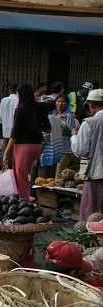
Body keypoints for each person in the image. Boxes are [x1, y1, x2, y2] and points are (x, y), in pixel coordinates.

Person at [3, 84, 54, 200]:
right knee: (25, 173)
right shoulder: (39, 107)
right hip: (37, 145)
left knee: (20, 175)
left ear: (20, 94)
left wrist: (6, 152)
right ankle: (25, 197)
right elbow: (48, 126)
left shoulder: (20, 109)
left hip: (23, 146)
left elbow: (14, 133)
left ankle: (23, 200)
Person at [71, 89, 103, 221]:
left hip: (97, 173)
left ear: (91, 104)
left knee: (92, 216)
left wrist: (74, 136)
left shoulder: (89, 123)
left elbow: (80, 150)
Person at [52, 94, 80, 178]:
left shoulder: (69, 116)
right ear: (55, 103)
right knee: (54, 173)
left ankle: (58, 190)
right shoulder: (52, 115)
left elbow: (71, 131)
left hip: (65, 149)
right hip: (54, 148)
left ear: (67, 104)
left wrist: (60, 125)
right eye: (58, 101)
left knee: (60, 173)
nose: (60, 103)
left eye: (63, 101)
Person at [0, 83, 19, 157]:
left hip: (5, 129)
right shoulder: (18, 100)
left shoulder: (3, 100)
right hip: (15, 129)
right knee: (14, 152)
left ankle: (4, 167)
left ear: (10, 90)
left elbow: (0, 117)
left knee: (5, 151)